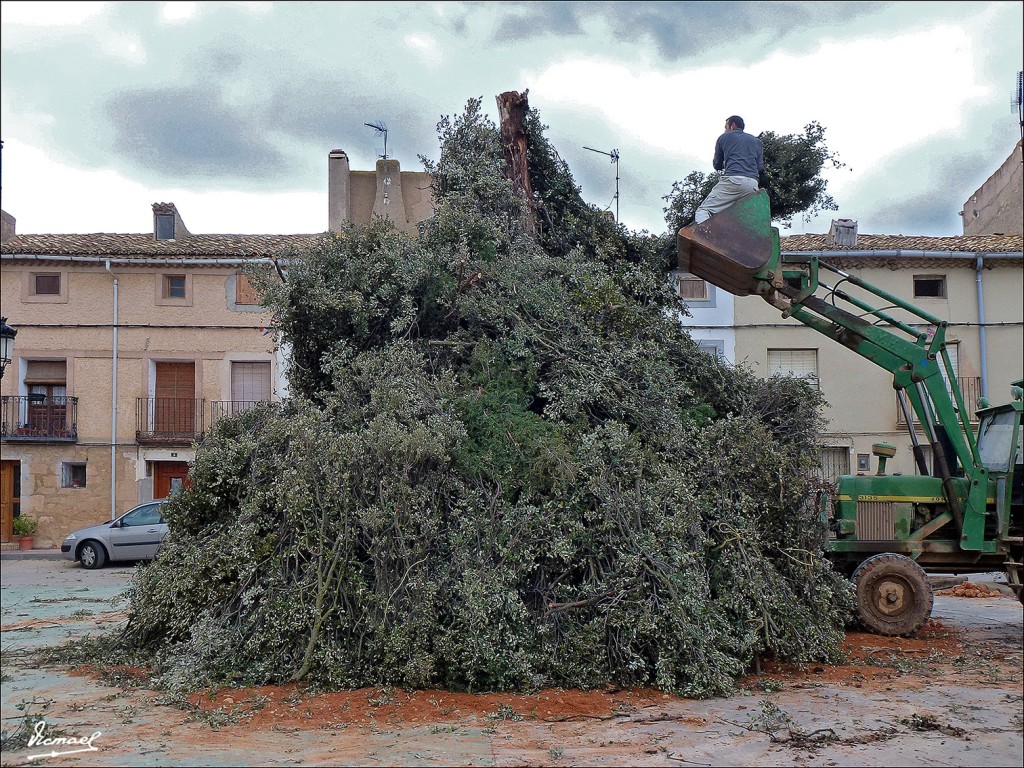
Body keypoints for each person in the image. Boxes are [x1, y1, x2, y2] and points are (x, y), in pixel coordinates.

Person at [694, 115, 764, 224]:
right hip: (753, 185)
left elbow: (717, 164)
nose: (725, 130)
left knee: (703, 211)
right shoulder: (757, 142)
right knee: (737, 219)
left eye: (725, 127)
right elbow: (760, 168)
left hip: (733, 181)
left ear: (733, 125)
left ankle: (707, 238)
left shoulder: (724, 137)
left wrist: (727, 162)